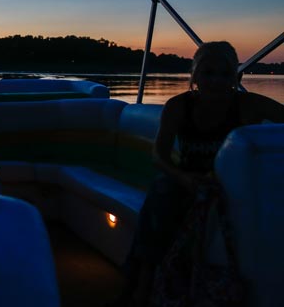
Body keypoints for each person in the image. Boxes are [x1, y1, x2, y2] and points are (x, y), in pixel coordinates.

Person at [117, 41, 284, 307]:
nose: (216, 80)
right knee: (162, 193)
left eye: (225, 73)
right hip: (186, 179)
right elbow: (159, 156)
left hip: (233, 187)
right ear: (194, 76)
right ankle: (139, 285)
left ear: (237, 77)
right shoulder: (178, 107)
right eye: (208, 73)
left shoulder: (251, 106)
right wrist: (183, 178)